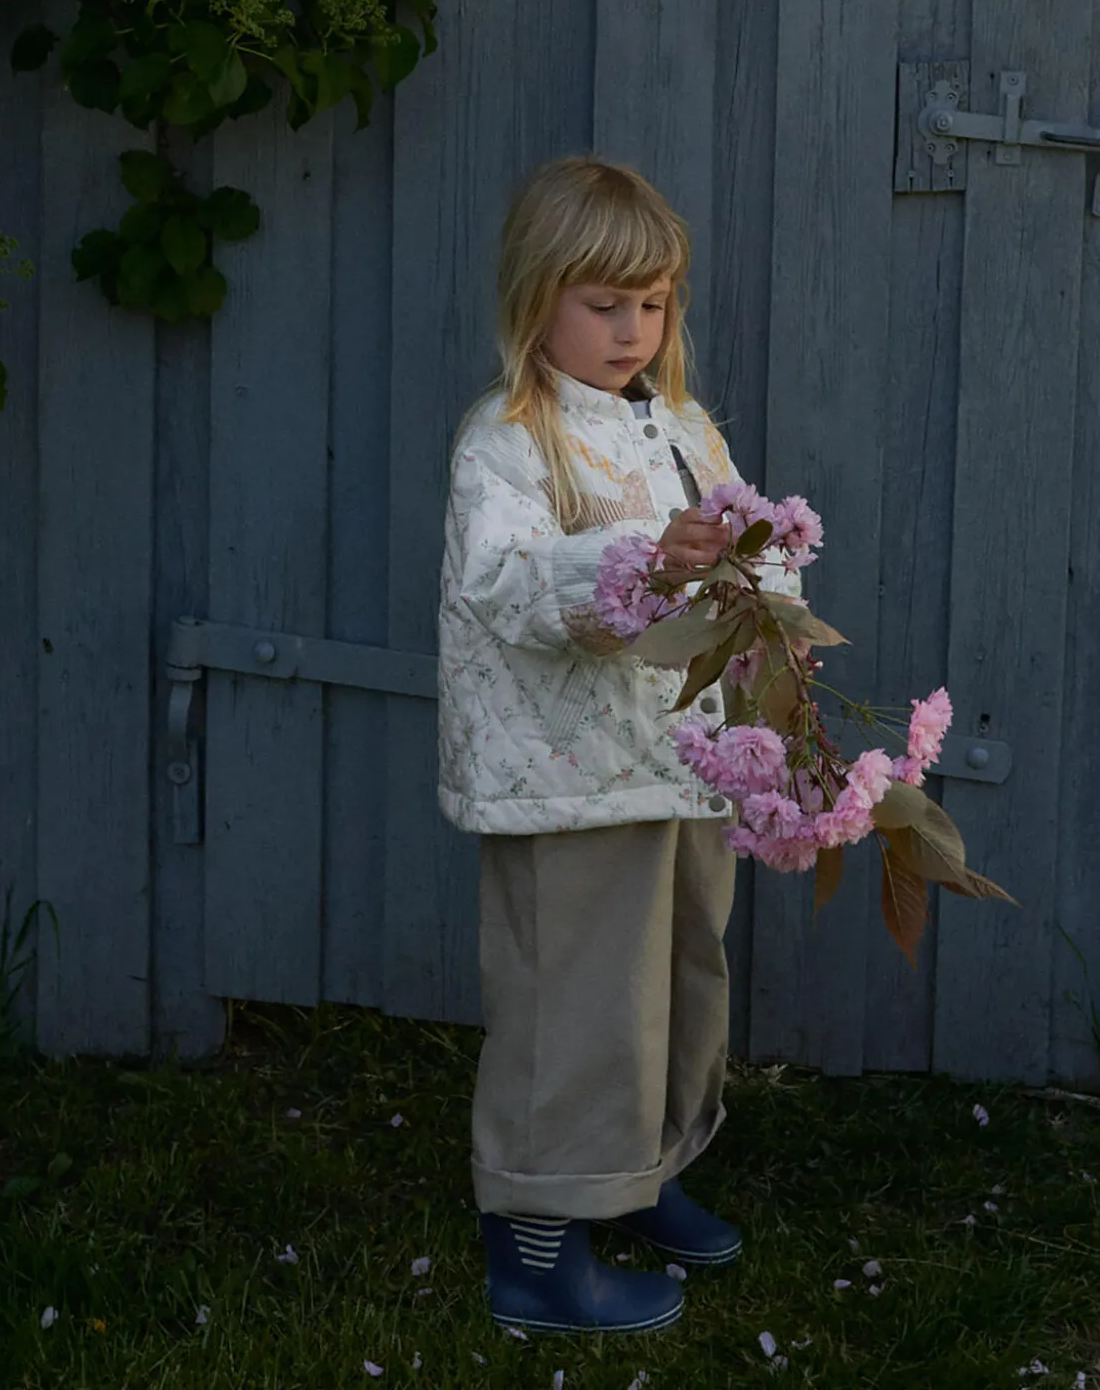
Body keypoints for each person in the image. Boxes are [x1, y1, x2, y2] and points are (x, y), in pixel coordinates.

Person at [437, 156, 799, 1334]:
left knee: (681, 983)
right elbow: (514, 587)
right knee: (577, 1009)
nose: (632, 329)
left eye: (652, 303)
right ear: (537, 295)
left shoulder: (684, 426)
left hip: (682, 769)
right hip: (568, 783)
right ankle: (537, 1250)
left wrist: (766, 572)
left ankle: (636, 1176)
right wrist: (649, 561)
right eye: (604, 304)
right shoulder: (509, 441)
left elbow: (741, 546)